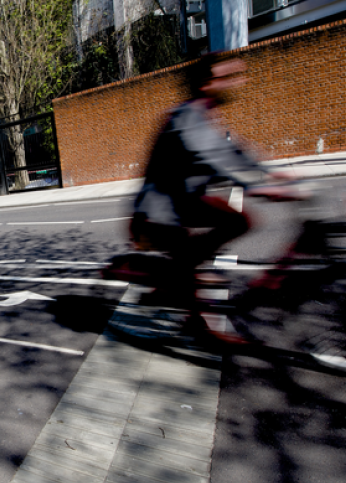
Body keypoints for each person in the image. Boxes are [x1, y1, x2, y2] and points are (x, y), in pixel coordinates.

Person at [127, 52, 298, 342]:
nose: (237, 82)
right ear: (206, 83)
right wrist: (258, 184)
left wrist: (271, 174)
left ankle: (179, 272)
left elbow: (233, 152)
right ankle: (195, 322)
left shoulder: (205, 114)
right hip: (160, 212)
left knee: (239, 220)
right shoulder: (187, 116)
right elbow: (213, 154)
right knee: (217, 233)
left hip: (182, 202)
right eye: (228, 77)